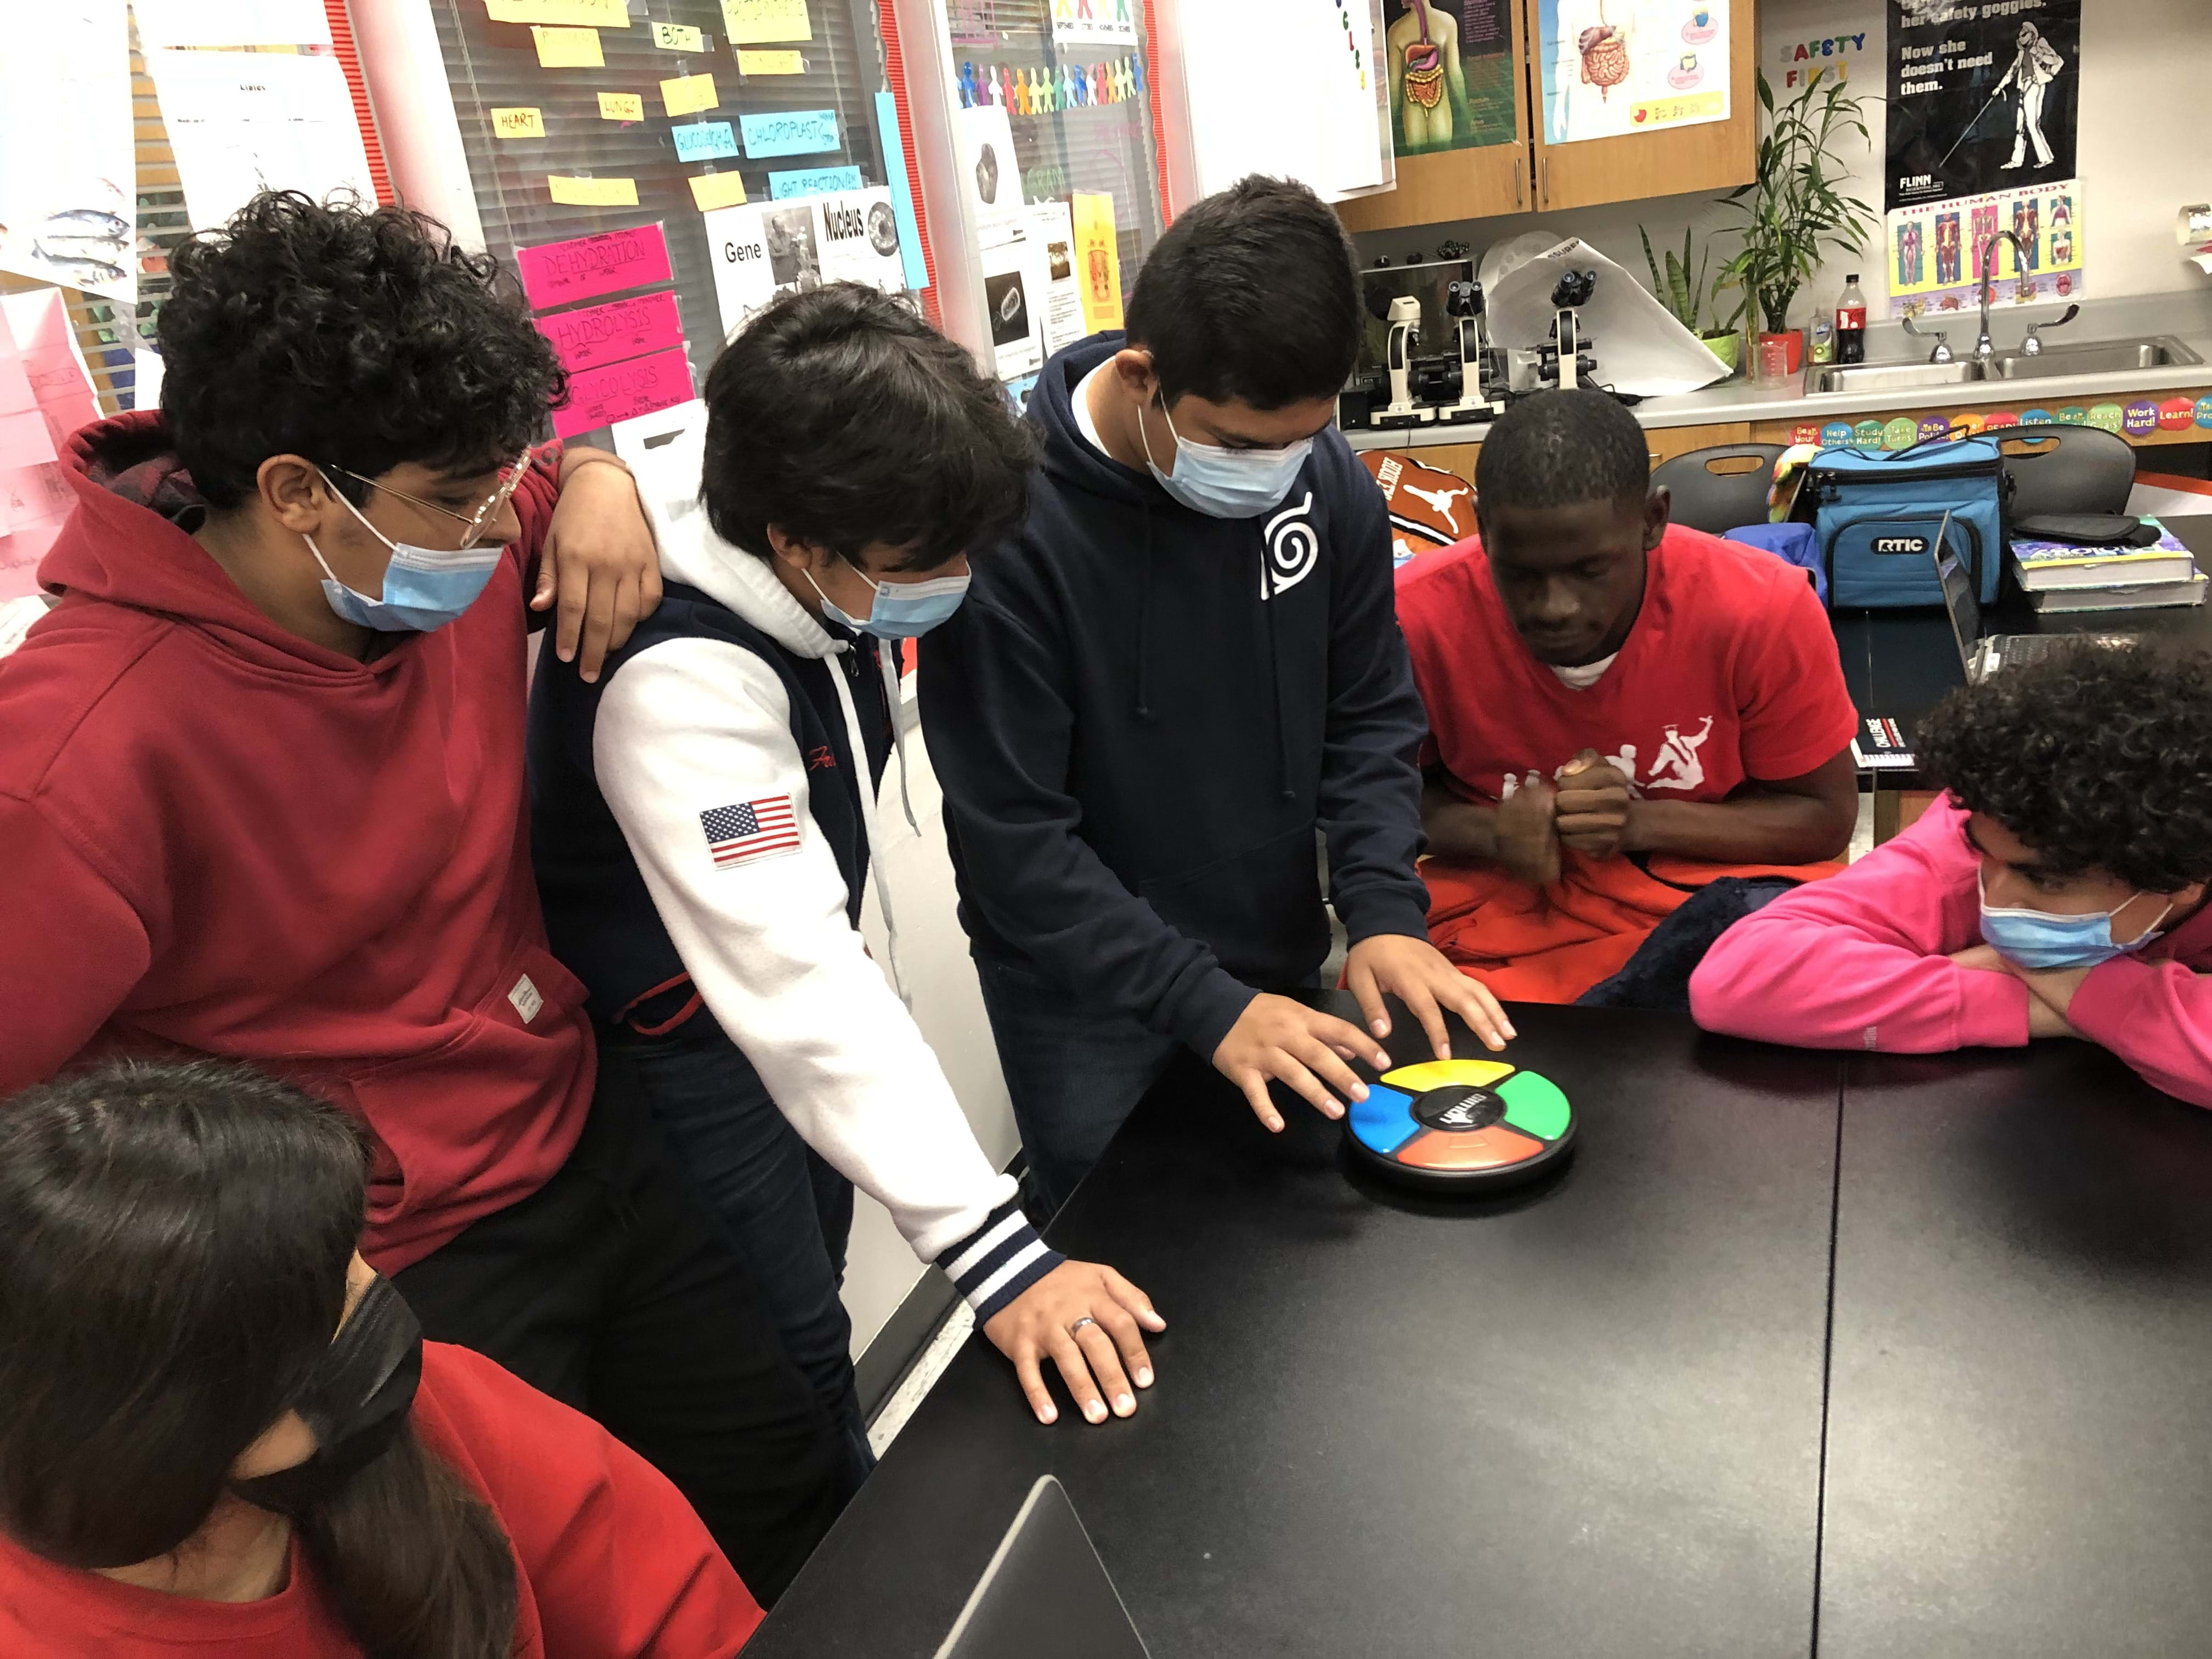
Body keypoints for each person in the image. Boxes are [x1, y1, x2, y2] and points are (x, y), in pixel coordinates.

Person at [0, 193, 841, 1597]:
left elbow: (527, 481)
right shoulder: (73, 757)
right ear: (290, 491)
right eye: (456, 499)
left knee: (794, 1500)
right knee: (514, 1602)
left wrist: (593, 478)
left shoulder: (417, 543)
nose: (487, 519)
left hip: (578, 1132)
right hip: (380, 1265)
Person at [531, 284, 1166, 1459]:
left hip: (757, 1022)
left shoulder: (785, 534)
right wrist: (998, 1250)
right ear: (795, 542)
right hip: (682, 1067)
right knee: (784, 1378)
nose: (951, 581)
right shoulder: (676, 684)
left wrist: (592, 465)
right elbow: (800, 984)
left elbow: (639, 459)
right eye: (921, 561)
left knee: (807, 1303)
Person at [923, 175, 1513, 1215]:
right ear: (1143, 377)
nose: (1276, 471)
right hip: (1087, 1001)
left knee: (1288, 1250)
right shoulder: (1006, 531)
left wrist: (1381, 907)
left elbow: (1369, 709)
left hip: (1274, 949)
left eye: (1304, 436)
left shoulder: (1318, 472)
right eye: (1241, 446)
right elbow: (1014, 840)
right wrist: (1200, 1001)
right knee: (1134, 1247)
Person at [0, 1060, 763, 1659]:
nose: (378, 1305)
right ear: (167, 1431)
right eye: (325, 1315)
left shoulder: (446, 1411)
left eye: (352, 1264)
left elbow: (683, 1615)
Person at [1397, 390, 1859, 1006]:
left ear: (1652, 520)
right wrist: (1492, 834)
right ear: (1482, 525)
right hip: (1505, 918)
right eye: (1520, 573)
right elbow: (1383, 808)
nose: (1555, 609)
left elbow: (1826, 820)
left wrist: (1639, 821)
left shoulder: (1762, 609)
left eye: (1591, 571)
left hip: (1713, 902)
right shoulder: (1413, 617)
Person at [1692, 642, 2212, 1108]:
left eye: (2047, 881)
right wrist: (2087, 1006)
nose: (1997, 899)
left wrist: (1990, 970)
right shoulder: (1988, 827)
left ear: (2183, 880)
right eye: (1985, 857)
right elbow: (1739, 980)